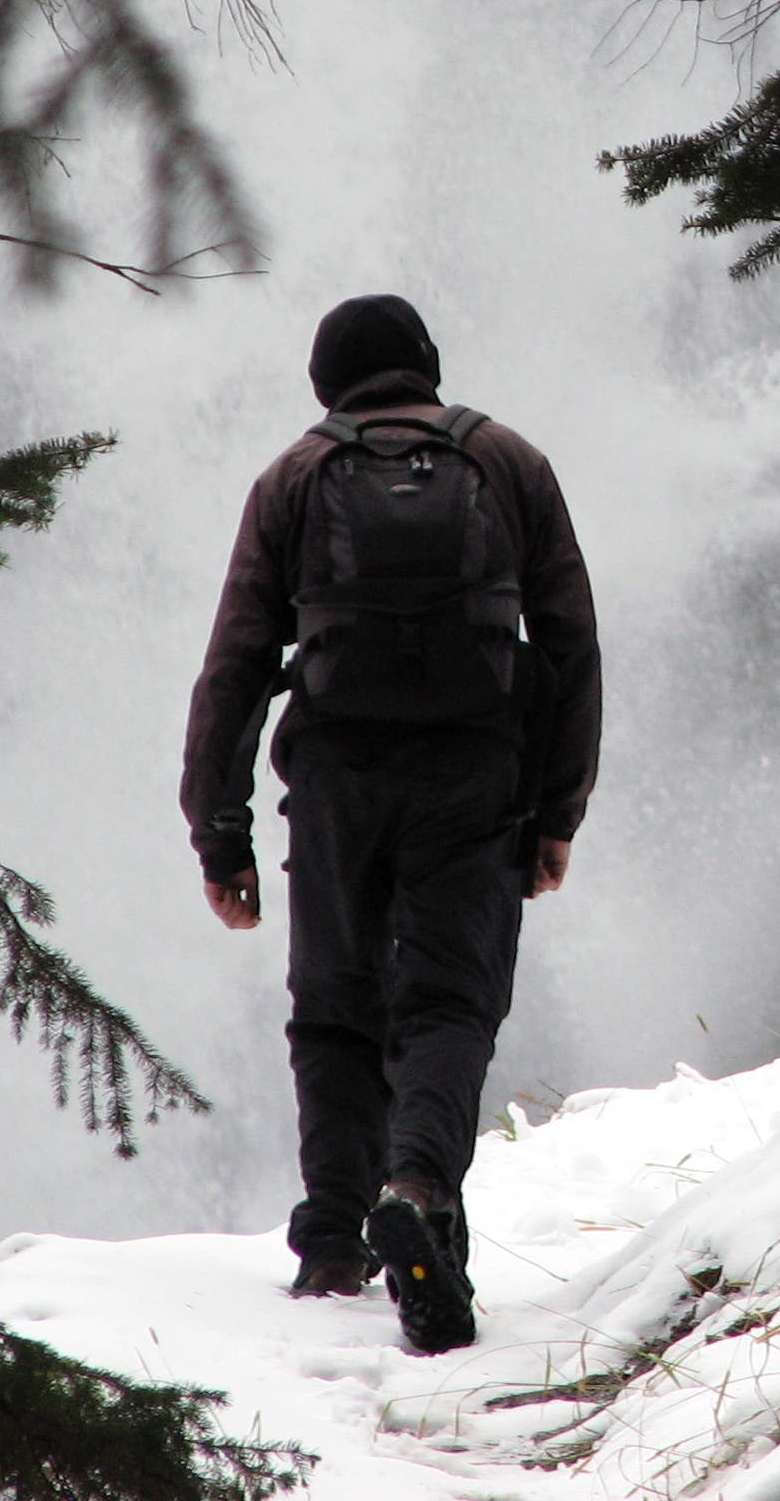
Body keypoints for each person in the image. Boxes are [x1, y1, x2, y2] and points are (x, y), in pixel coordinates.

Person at [179, 294, 601, 1352]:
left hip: (335, 779)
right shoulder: (508, 462)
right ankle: (415, 1187)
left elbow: (234, 666)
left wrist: (218, 832)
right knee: (448, 1005)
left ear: (327, 382)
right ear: (427, 367)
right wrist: (557, 811)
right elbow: (568, 644)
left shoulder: (293, 477)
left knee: (334, 1006)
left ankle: (330, 1244)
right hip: (474, 773)